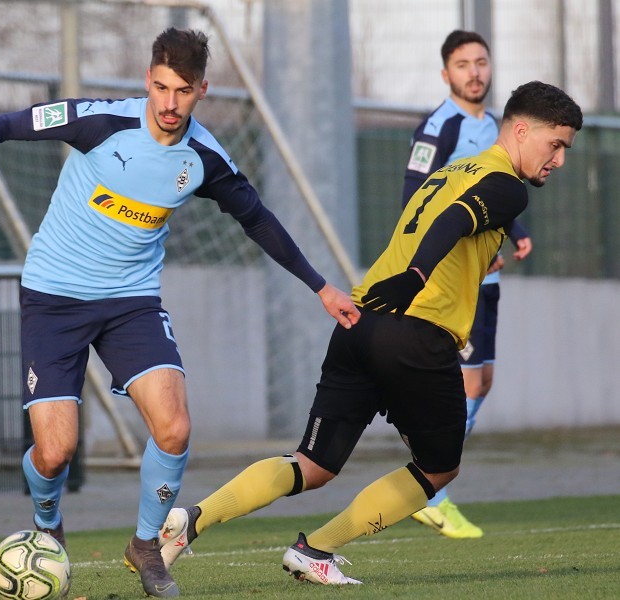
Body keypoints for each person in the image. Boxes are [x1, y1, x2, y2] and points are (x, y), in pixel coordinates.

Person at [0, 27, 359, 598]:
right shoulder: (100, 122)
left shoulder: (206, 158)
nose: (169, 103)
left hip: (130, 302)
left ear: (201, 91)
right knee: (55, 450)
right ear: (148, 81)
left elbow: (258, 219)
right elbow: (5, 124)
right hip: (54, 298)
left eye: (183, 91)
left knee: (175, 427)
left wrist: (320, 288)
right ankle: (47, 531)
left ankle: (146, 547)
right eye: (161, 88)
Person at [158, 81, 582, 586]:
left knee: (312, 464)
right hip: (416, 333)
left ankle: (192, 519)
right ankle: (316, 549)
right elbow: (454, 220)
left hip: (361, 321)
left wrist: (458, 261)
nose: (559, 159)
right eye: (555, 144)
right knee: (439, 469)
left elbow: (447, 222)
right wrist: (420, 275)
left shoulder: (449, 171)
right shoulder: (507, 185)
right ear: (520, 130)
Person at [403, 30, 533, 539]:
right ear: (446, 75)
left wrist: (516, 233)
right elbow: (418, 201)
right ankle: (428, 487)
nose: (474, 72)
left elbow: (500, 189)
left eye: (481, 62)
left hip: (489, 269)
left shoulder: (499, 126)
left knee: (483, 381)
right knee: (466, 382)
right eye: (463, 64)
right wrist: (469, 254)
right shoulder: (439, 128)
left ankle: (429, 482)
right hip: (462, 273)